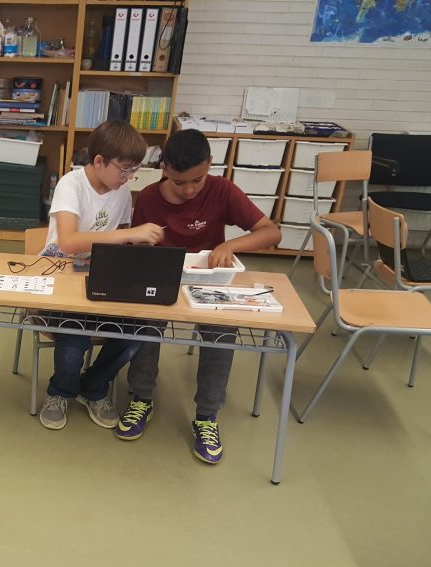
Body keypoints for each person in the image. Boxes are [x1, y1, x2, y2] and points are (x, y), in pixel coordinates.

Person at [120, 128, 282, 464]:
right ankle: (141, 398)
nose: (190, 190)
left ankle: (207, 415)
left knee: (222, 330)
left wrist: (230, 244)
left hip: (210, 281)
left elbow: (271, 232)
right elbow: (137, 252)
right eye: (180, 182)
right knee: (145, 323)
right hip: (162, 279)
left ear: (210, 163)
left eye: (198, 179)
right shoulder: (149, 197)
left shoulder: (222, 190)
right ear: (165, 168)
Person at [37, 120, 165, 430]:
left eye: (133, 170)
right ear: (99, 161)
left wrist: (137, 243)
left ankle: (93, 387)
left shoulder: (121, 191)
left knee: (135, 334)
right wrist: (129, 234)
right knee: (74, 343)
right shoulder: (71, 184)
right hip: (59, 278)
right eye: (124, 169)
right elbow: (68, 243)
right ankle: (60, 391)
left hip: (100, 279)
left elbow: (121, 240)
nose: (129, 177)